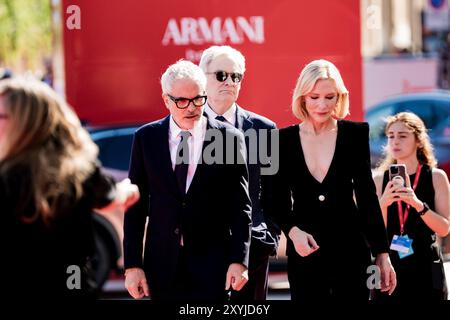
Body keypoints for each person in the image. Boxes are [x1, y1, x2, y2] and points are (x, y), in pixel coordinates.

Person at [266, 59, 397, 300]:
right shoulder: (280, 140)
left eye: (330, 97)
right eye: (315, 97)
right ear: (302, 97)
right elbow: (275, 201)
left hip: (352, 251)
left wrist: (382, 252)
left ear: (339, 98)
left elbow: (367, 196)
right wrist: (292, 232)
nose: (322, 105)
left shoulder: (355, 134)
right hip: (305, 252)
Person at [123, 60, 252, 301]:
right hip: (161, 266)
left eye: (198, 99)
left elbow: (240, 205)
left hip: (213, 265)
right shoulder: (146, 138)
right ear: (166, 100)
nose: (192, 107)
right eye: (182, 101)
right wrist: (132, 265)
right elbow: (135, 207)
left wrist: (239, 260)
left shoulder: (229, 138)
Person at [0, 78, 139, 299]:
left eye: (1, 116)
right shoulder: (79, 169)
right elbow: (110, 196)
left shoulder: (73, 172)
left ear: (27, 122)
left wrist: (127, 192)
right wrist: (128, 191)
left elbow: (108, 195)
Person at [199, 45, 280, 301]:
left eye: (236, 77)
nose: (229, 82)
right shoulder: (186, 128)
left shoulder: (264, 129)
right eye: (221, 75)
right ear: (203, 77)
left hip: (253, 249)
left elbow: (274, 191)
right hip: (201, 252)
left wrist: (270, 237)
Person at [372, 112, 449, 301]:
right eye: (390, 136)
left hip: (426, 266)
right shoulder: (378, 180)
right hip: (386, 265)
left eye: (403, 135)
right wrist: (383, 203)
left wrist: (416, 204)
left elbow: (444, 228)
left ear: (418, 140)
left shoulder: (435, 177)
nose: (395, 141)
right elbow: (370, 232)